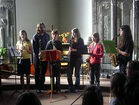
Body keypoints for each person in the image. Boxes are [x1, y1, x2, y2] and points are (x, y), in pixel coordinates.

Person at [32, 22, 50, 93]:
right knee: (37, 72)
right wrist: (38, 53)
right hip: (37, 56)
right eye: (40, 27)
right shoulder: (35, 36)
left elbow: (48, 45)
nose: (41, 28)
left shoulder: (47, 36)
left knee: (43, 71)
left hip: (45, 56)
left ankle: (42, 85)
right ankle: (37, 87)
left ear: (44, 28)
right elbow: (34, 48)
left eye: (42, 27)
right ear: (38, 28)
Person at [66, 28, 84, 93]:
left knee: (77, 73)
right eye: (72, 33)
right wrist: (69, 51)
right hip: (71, 58)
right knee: (69, 73)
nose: (73, 34)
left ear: (77, 33)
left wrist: (74, 50)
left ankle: (76, 87)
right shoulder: (71, 40)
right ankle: (71, 87)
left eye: (74, 32)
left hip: (78, 58)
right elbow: (70, 48)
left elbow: (81, 50)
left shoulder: (81, 40)